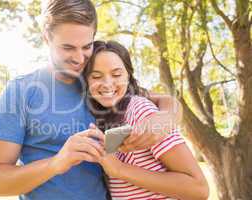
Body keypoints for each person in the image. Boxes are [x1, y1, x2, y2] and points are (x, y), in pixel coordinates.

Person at [0, 1, 182, 200]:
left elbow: (162, 100)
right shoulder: (20, 92)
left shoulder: (98, 83)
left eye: (87, 46)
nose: (79, 59)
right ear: (46, 38)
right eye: (68, 48)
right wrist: (56, 163)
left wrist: (167, 116)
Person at [83, 40, 209, 200]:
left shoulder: (140, 110)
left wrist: (119, 169)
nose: (107, 84)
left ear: (128, 76)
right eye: (96, 76)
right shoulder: (104, 116)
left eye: (116, 74)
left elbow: (198, 189)